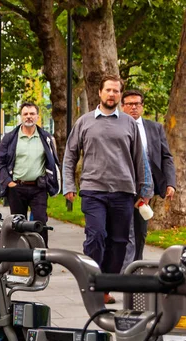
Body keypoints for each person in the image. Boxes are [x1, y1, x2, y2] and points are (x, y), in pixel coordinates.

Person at [63, 75, 153, 304]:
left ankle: (106, 286)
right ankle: (93, 282)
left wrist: (144, 190)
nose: (112, 94)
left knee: (120, 241)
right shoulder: (84, 122)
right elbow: (70, 155)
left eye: (116, 91)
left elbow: (138, 159)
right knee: (96, 236)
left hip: (123, 191)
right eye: (108, 90)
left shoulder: (129, 123)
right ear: (100, 93)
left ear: (119, 95)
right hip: (93, 190)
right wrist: (69, 185)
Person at [121, 89, 176, 265]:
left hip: (146, 185)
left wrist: (170, 183)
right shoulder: (116, 126)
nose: (133, 107)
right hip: (121, 183)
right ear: (122, 106)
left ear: (142, 106)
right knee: (121, 228)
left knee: (140, 229)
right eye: (129, 104)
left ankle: (136, 265)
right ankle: (119, 264)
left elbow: (166, 156)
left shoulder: (155, 128)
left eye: (137, 104)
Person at [0, 102, 60, 246]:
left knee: (40, 222)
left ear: (37, 116)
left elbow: (53, 162)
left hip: (39, 188)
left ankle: (42, 256)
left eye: (32, 114)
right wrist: (8, 182)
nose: (29, 117)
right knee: (17, 223)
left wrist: (51, 181)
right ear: (21, 117)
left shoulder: (46, 138)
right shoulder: (10, 138)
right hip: (17, 188)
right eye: (25, 114)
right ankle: (19, 257)